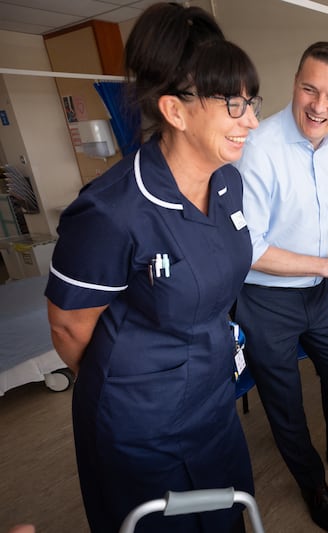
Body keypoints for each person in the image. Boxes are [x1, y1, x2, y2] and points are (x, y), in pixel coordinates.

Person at [44, 4, 261, 532]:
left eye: (251, 102)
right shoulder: (112, 209)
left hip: (213, 399)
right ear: (175, 110)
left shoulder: (226, 181)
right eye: (233, 106)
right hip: (140, 427)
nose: (251, 120)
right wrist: (132, 389)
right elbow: (70, 327)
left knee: (229, 516)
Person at [233, 41, 328, 533]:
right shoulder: (258, 151)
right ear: (295, 83)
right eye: (309, 89)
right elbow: (250, 248)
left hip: (318, 292)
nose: (318, 105)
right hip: (264, 299)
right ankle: (312, 483)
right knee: (284, 401)